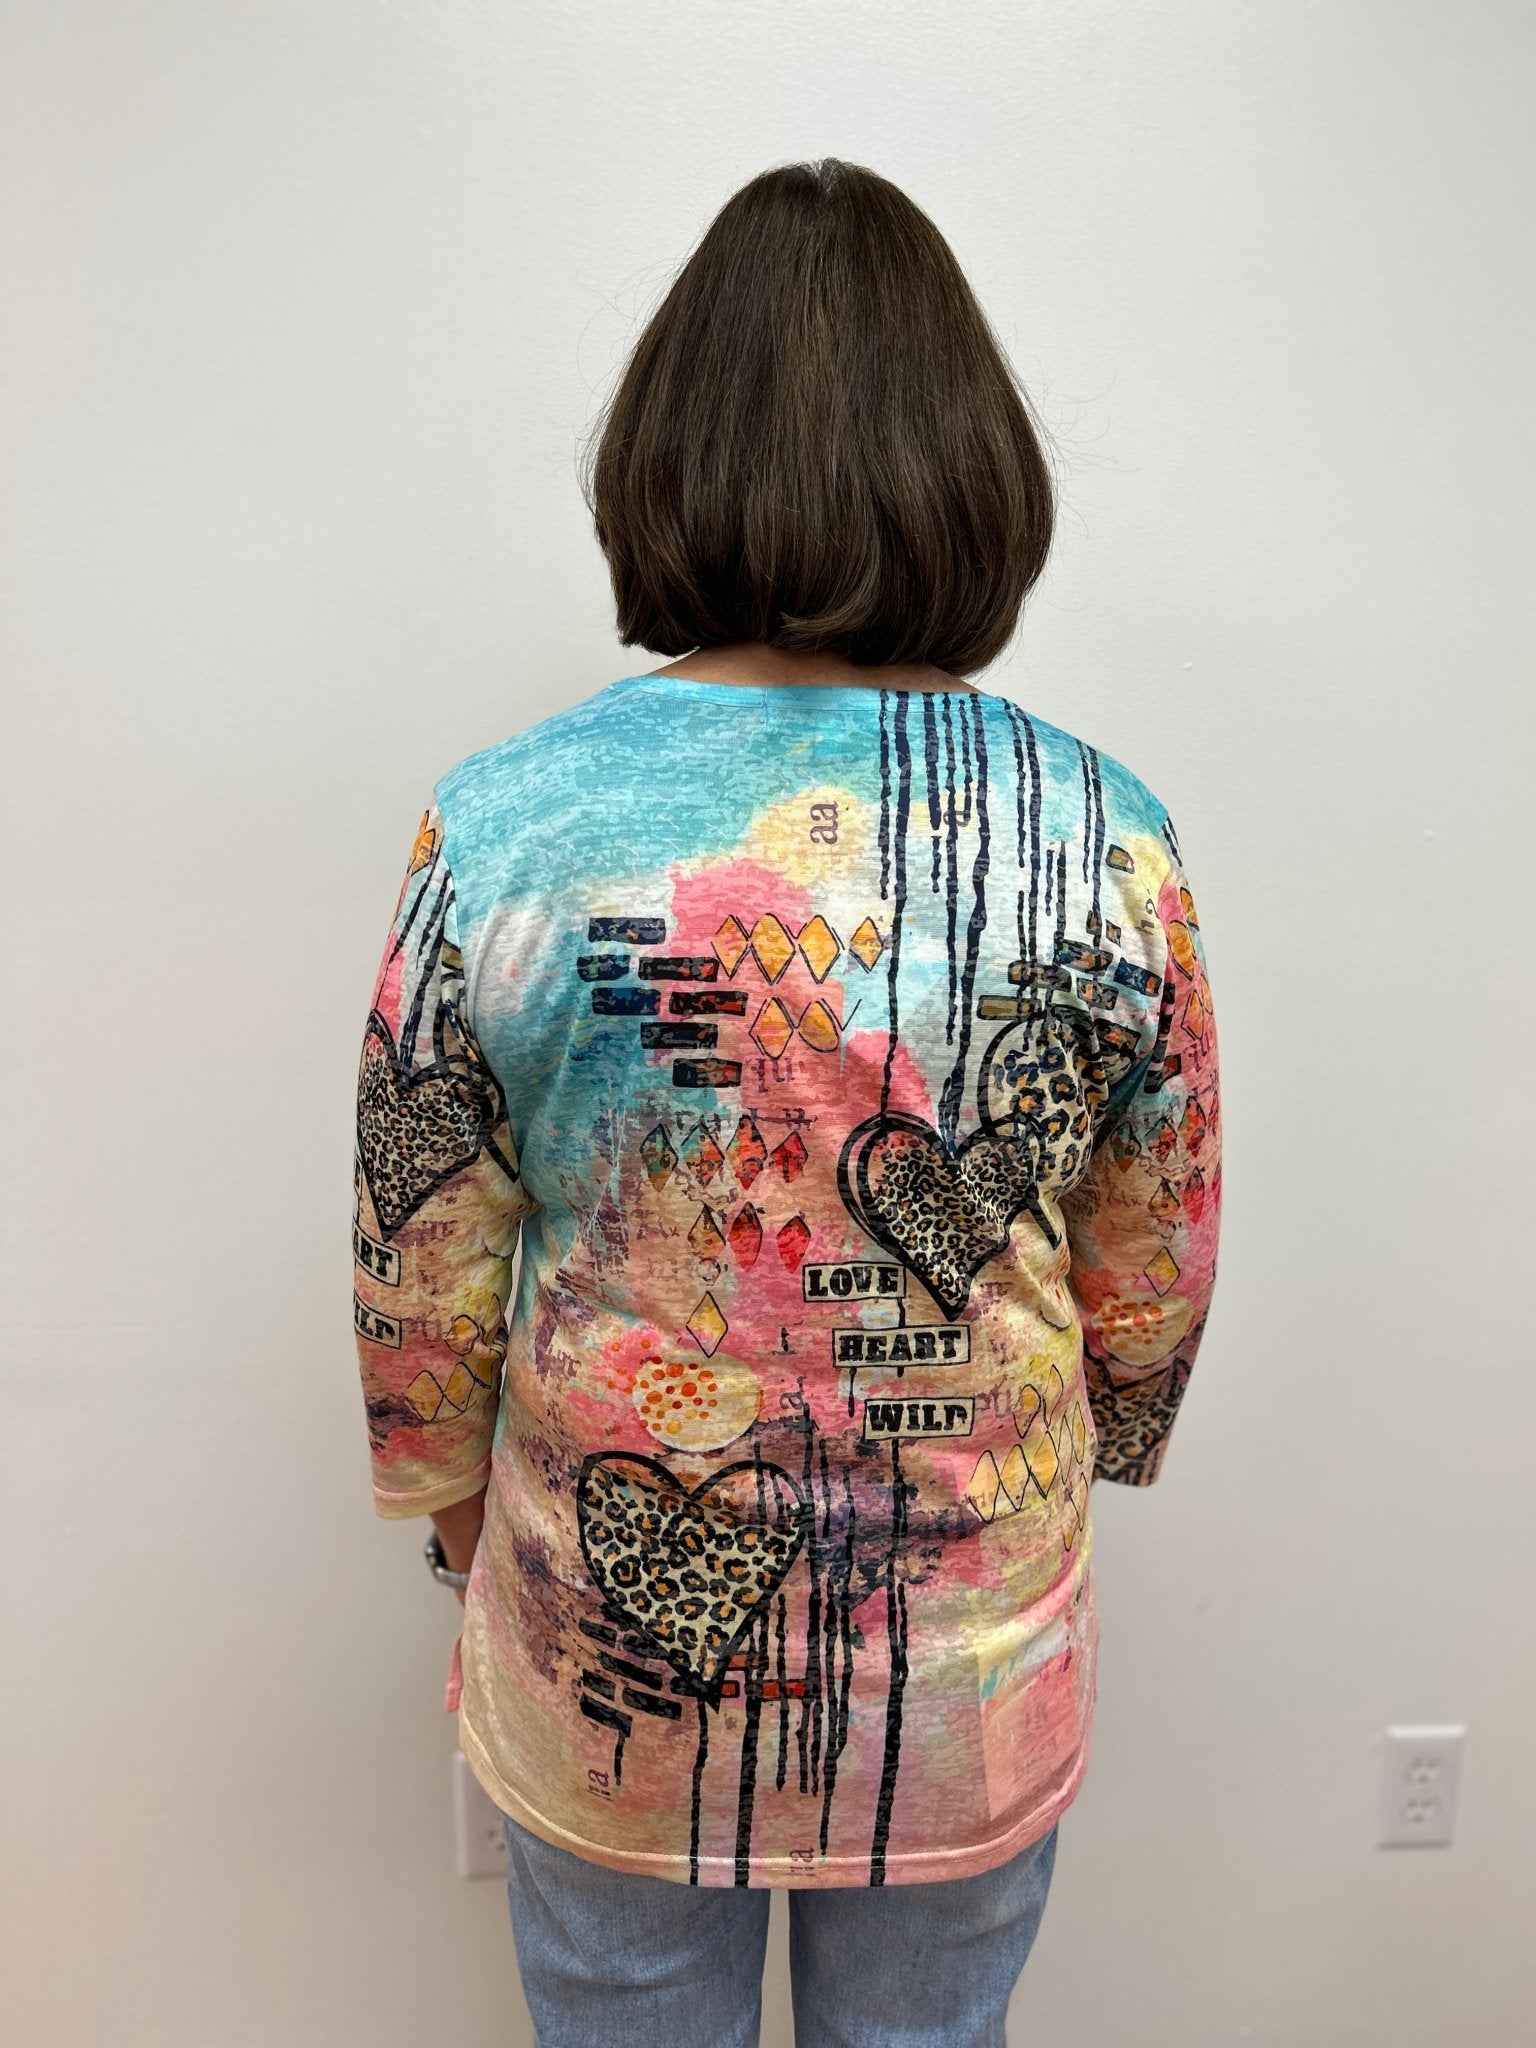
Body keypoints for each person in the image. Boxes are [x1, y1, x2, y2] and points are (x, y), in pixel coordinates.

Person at [350, 158, 1222, 2048]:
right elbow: (1153, 1277)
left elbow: (418, 1275)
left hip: (608, 1641)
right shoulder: (1107, 839)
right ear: (971, 466)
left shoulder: (503, 828)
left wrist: (462, 1529)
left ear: (665, 456)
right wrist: (1072, 1471)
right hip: (964, 1649)